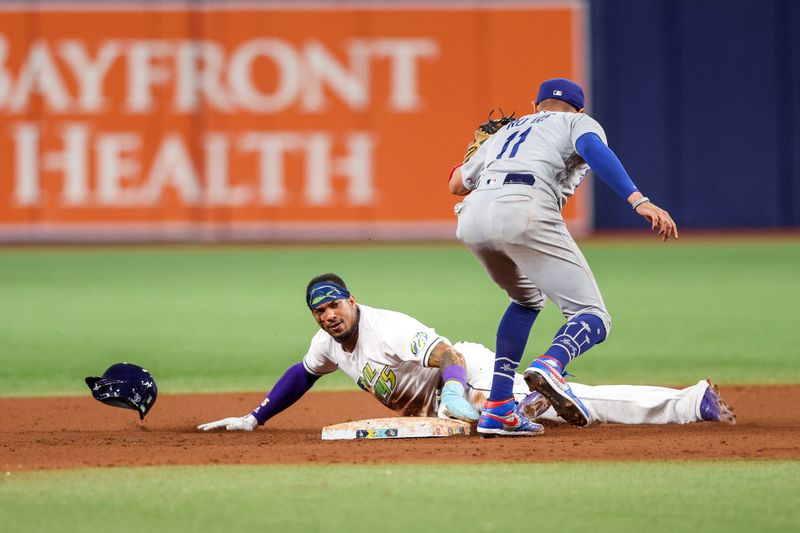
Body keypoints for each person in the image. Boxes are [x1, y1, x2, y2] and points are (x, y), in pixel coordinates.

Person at [198, 274, 734, 434]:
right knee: (515, 412)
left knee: (534, 404)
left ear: (351, 301)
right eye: (319, 312)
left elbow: (446, 353)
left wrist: (459, 391)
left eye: (334, 305)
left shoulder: (386, 328)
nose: (328, 316)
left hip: (467, 370)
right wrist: (255, 417)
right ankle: (526, 405)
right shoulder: (327, 345)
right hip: (440, 404)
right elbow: (302, 373)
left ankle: (690, 402)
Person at [447, 78, 679, 435]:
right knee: (593, 315)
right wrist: (638, 199)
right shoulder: (577, 122)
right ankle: (552, 364)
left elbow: (456, 184)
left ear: (535, 104)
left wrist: (474, 155)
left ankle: (498, 408)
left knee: (525, 300)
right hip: (524, 208)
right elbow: (594, 150)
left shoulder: (505, 132)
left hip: (472, 217)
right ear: (580, 108)